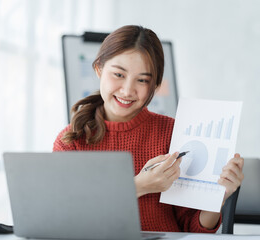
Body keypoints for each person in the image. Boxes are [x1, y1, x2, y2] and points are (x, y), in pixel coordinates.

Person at [53, 25, 244, 233]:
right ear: (98, 69)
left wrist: (218, 199)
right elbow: (68, 219)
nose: (127, 90)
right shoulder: (71, 141)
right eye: (118, 74)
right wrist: (140, 186)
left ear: (155, 85)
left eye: (142, 80)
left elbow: (192, 229)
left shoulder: (174, 133)